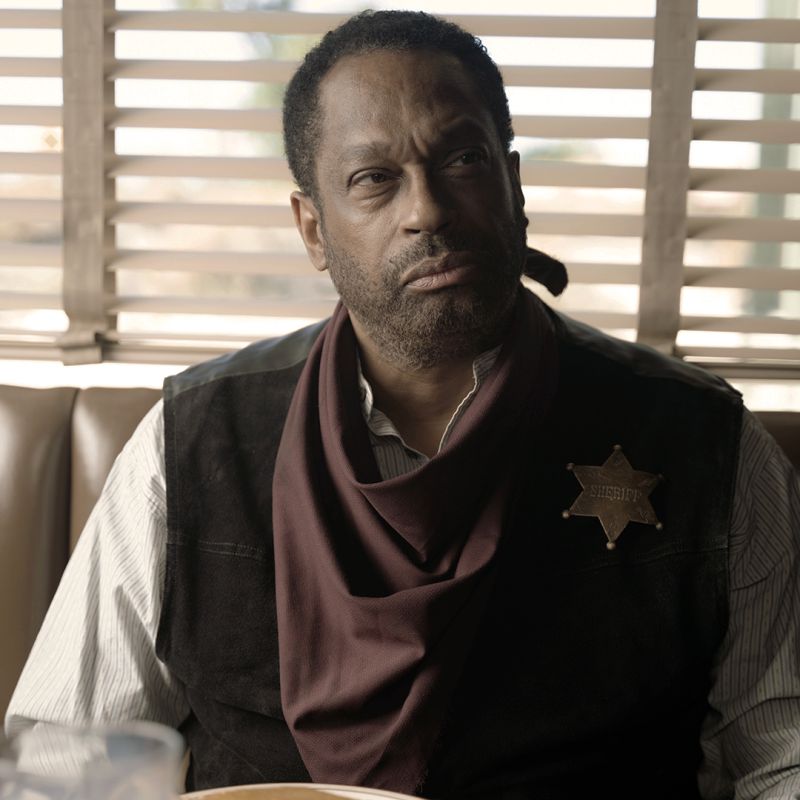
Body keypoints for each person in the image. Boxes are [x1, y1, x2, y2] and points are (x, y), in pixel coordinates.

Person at [5, 10, 800, 800]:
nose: (427, 210)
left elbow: (782, 761)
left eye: (463, 159)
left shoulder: (706, 443)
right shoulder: (188, 447)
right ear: (313, 230)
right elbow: (59, 766)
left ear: (514, 185)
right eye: (373, 179)